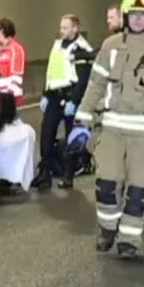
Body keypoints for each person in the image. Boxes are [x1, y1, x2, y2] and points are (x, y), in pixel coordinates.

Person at [80, 0, 144, 258]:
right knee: (106, 185)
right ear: (125, 18)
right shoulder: (110, 46)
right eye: (133, 15)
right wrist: (83, 117)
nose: (137, 20)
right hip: (112, 128)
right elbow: (96, 84)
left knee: (137, 190)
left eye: (142, 16)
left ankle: (129, 240)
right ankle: (108, 228)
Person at [34, 13, 96, 191]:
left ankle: (69, 175)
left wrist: (75, 101)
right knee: (46, 135)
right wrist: (46, 93)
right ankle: (44, 174)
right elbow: (51, 71)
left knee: (72, 138)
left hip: (70, 97)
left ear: (75, 28)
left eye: (66, 28)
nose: (61, 31)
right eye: (61, 27)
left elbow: (84, 79)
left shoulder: (82, 48)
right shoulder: (57, 44)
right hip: (54, 96)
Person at [0, 17, 27, 131]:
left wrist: (6, 98)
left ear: (3, 31)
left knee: (9, 128)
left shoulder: (16, 49)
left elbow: (16, 78)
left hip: (7, 97)